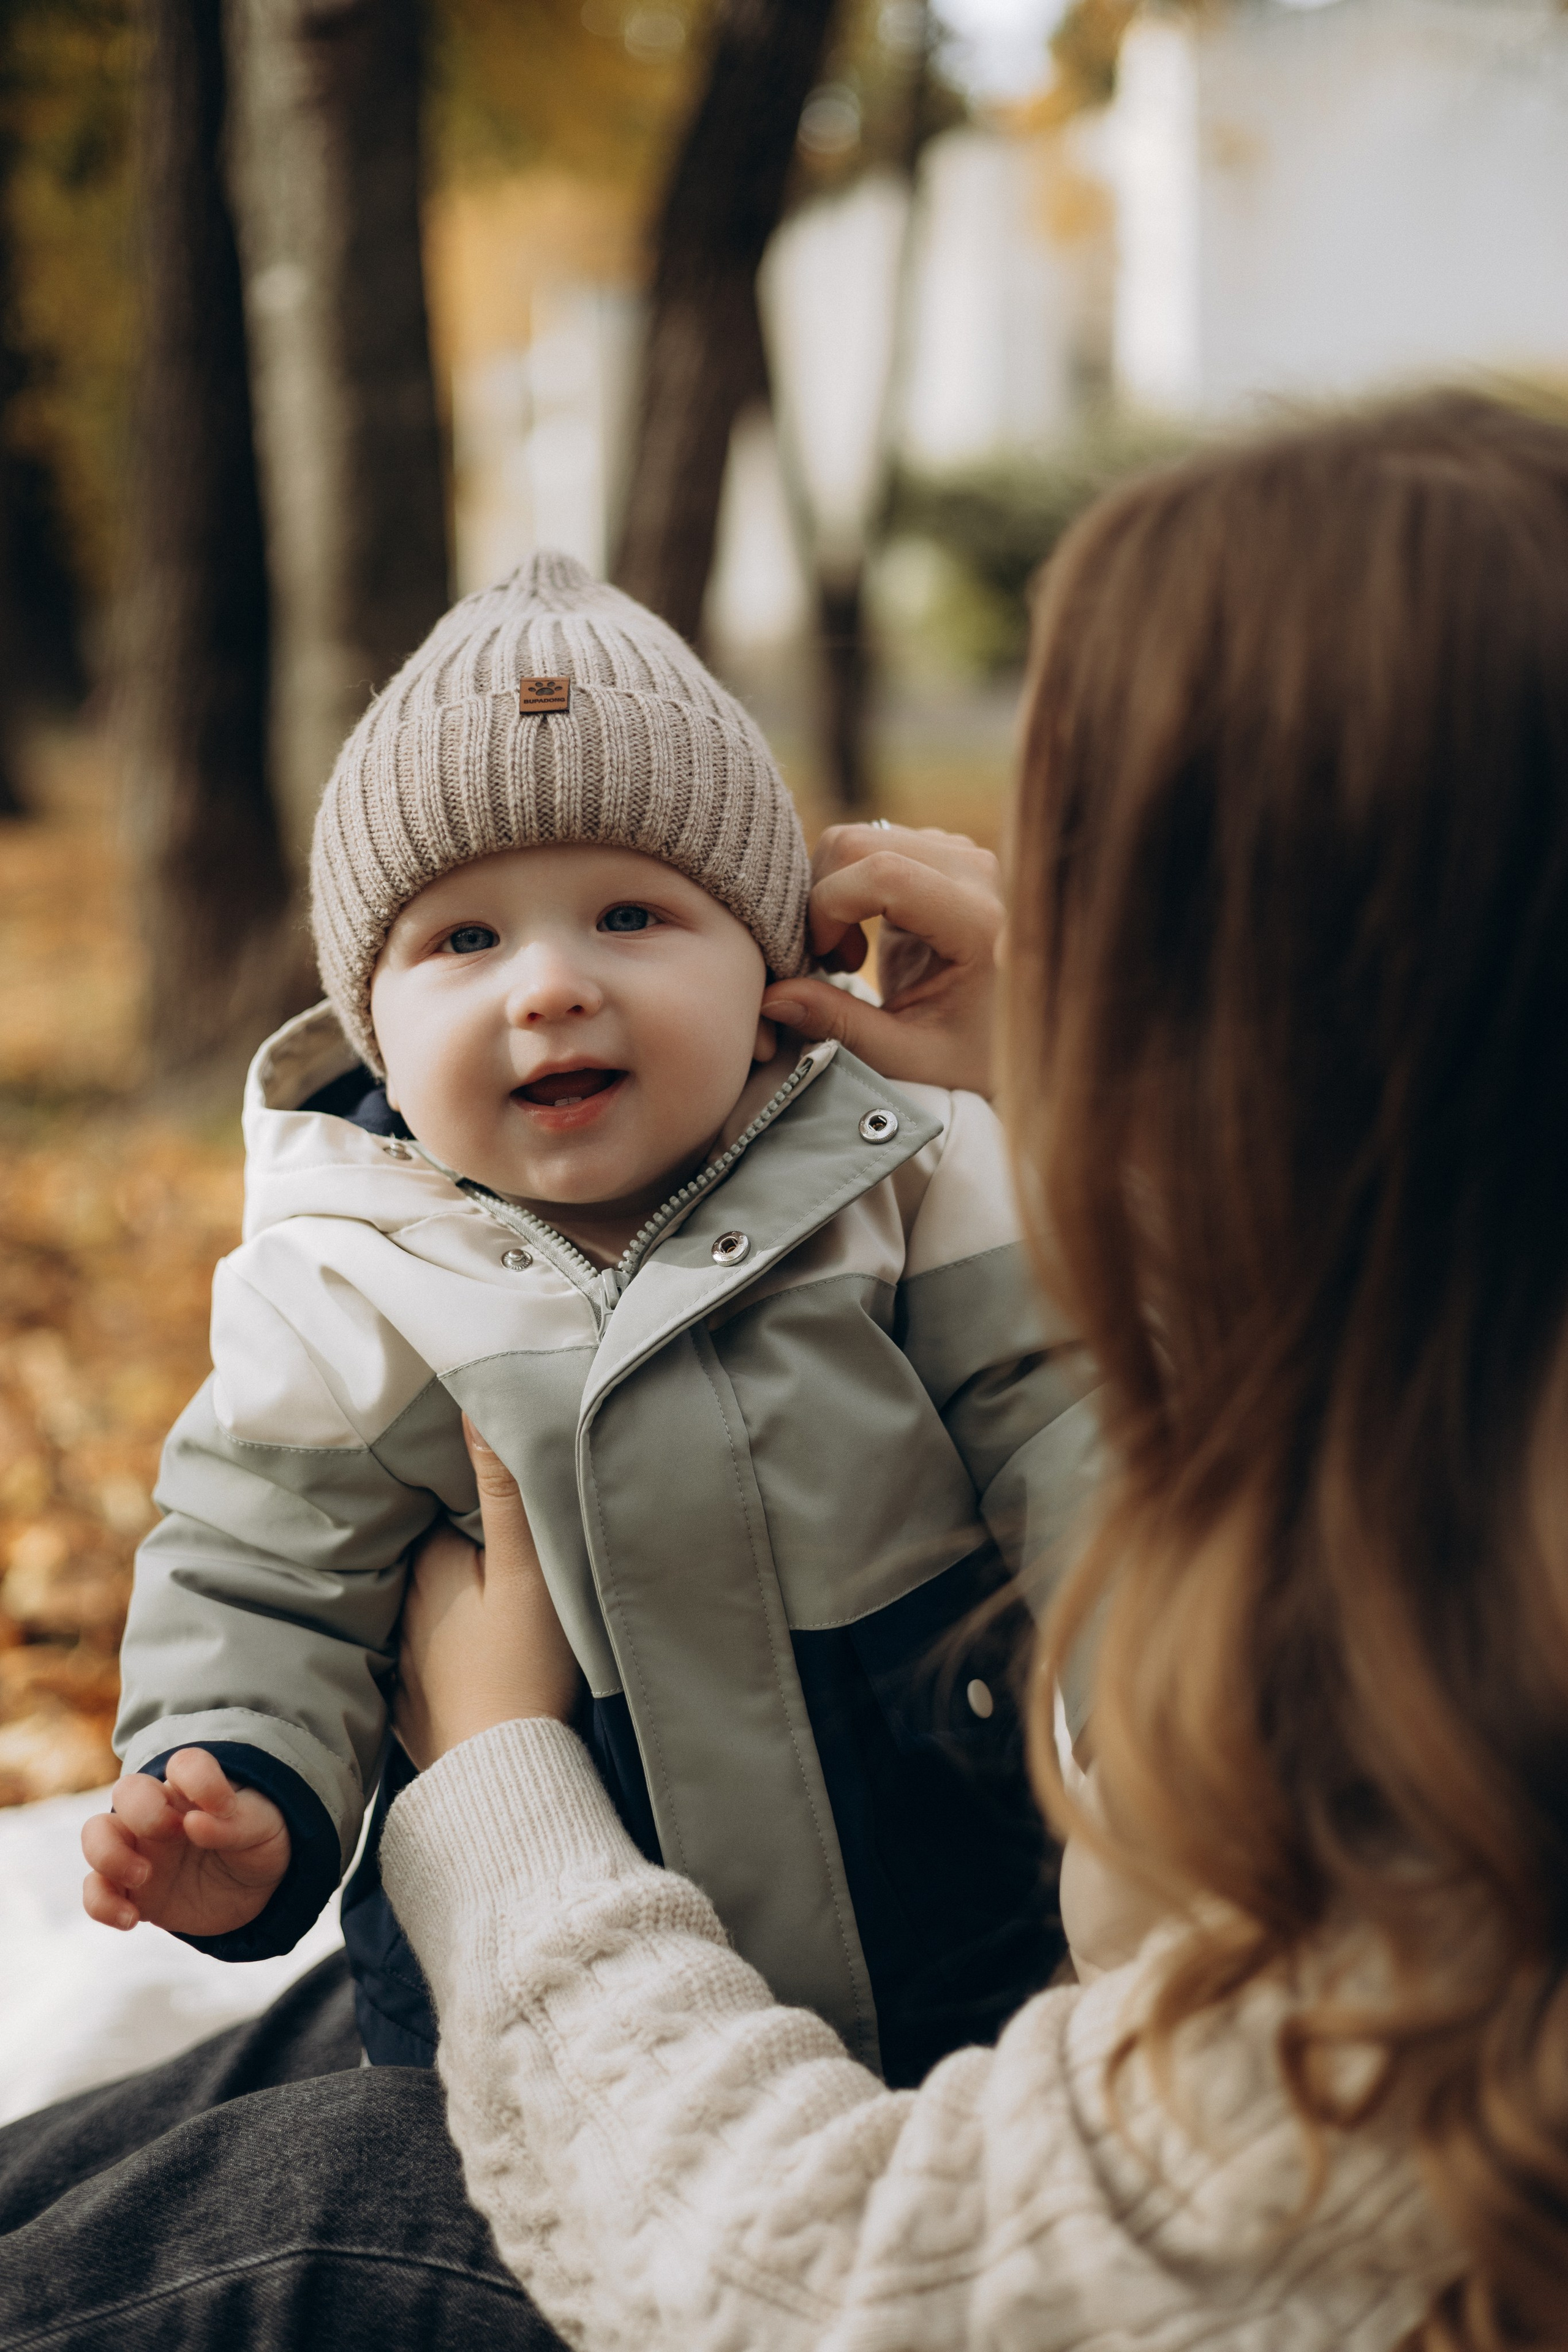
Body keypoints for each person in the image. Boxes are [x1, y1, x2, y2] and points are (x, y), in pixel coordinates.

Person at [367, 391, 1568, 2348]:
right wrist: (1093, 1062)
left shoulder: (1448, 1870)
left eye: (1103, 882)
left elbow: (819, 2282)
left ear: (1313, 1008)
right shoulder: (1477, 1402)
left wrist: (500, 1781)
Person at [81, 553, 1092, 2084]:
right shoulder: (352, 1277)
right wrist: (240, 1787)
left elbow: (1073, 1427)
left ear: (771, 978)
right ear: (375, 1025)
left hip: (963, 1963)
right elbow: (258, 1565)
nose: (547, 987)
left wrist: (1164, 1676)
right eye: (463, 942)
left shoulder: (908, 1174)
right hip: (543, 2041)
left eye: (629, 915)